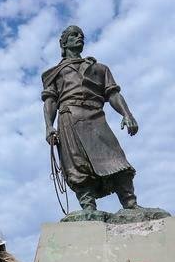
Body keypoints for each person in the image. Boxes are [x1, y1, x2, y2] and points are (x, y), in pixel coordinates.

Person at [41, 24, 141, 212]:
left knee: (117, 159)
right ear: (64, 43)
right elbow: (50, 100)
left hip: (96, 117)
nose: (79, 37)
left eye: (81, 35)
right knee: (77, 165)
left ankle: (131, 204)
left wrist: (127, 114)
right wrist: (48, 127)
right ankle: (88, 208)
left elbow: (112, 93)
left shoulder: (99, 68)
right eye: (74, 35)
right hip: (69, 117)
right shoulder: (55, 73)